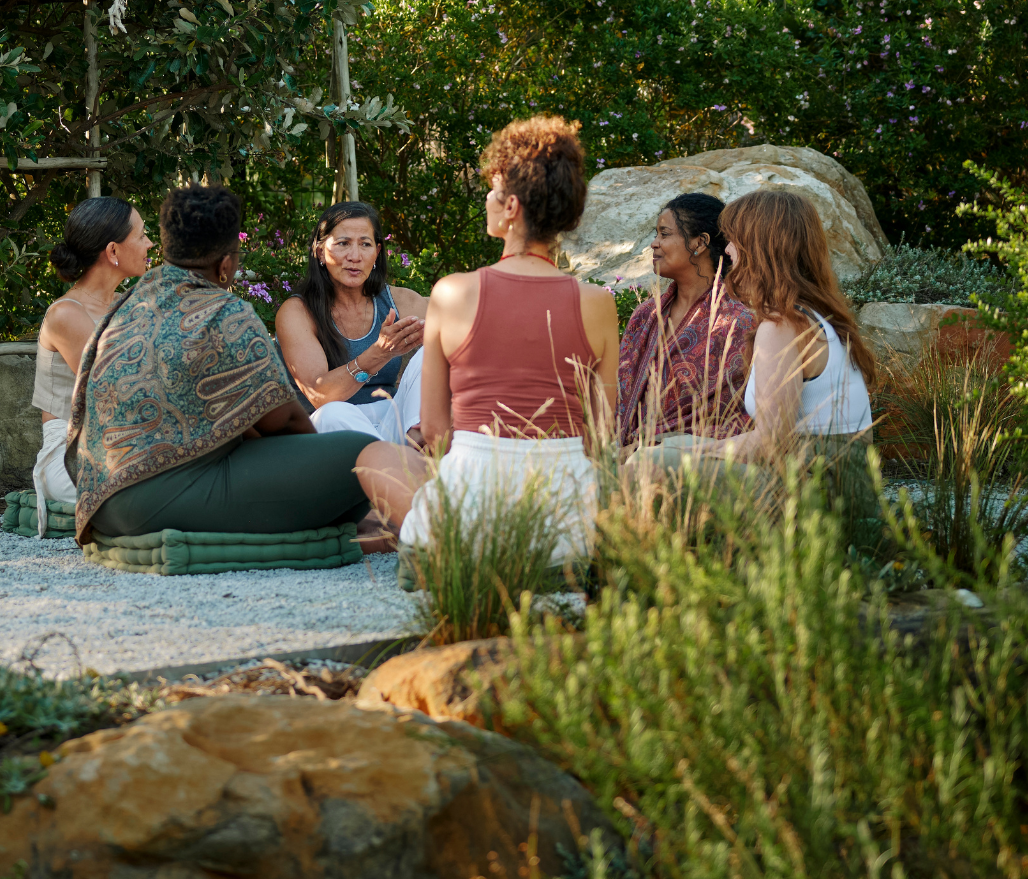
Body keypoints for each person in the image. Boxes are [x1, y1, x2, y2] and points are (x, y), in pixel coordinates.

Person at [355, 117, 619, 565]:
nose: (488, 201)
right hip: (567, 525)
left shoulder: (453, 292)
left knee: (376, 455)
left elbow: (437, 432)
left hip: (474, 519)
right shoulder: (597, 303)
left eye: (494, 191)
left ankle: (447, 551)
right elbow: (601, 437)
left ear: (512, 206)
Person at [67, 185, 379, 544]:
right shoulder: (227, 314)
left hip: (99, 505)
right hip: (154, 504)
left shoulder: (128, 305)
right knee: (359, 456)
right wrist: (317, 466)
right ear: (226, 263)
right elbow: (287, 421)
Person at [654, 188, 877, 477]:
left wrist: (693, 452)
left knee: (653, 464)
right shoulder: (812, 315)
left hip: (818, 492)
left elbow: (771, 444)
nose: (728, 250)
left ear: (758, 247)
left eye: (733, 239)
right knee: (667, 447)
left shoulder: (781, 326)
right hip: (832, 478)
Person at [28, 197, 151, 534]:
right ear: (113, 252)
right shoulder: (66, 315)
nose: (149, 243)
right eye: (141, 235)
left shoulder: (131, 306)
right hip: (74, 456)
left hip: (130, 444)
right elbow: (121, 391)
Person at [272, 201, 428, 445]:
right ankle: (402, 468)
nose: (354, 256)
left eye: (365, 244)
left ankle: (412, 452)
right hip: (332, 432)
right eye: (343, 243)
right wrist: (379, 353)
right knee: (333, 412)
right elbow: (320, 396)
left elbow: (464, 318)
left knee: (430, 354)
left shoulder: (398, 301)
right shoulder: (297, 312)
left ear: (376, 253)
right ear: (320, 252)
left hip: (391, 420)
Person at [615, 193, 756, 447]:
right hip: (622, 459)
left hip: (697, 467)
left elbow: (743, 417)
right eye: (656, 234)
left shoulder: (738, 322)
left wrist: (659, 448)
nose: (654, 244)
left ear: (699, 242)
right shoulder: (645, 317)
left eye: (664, 234)